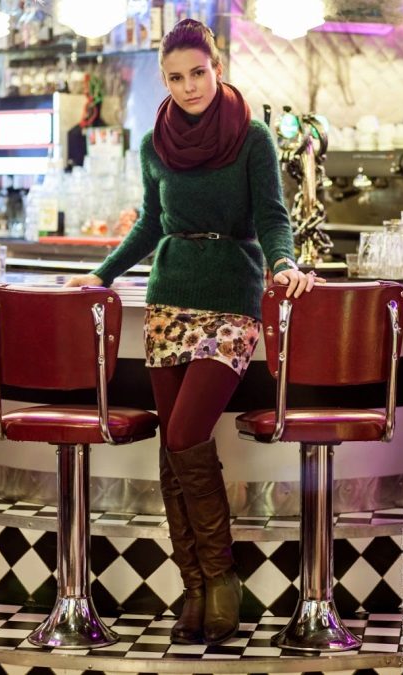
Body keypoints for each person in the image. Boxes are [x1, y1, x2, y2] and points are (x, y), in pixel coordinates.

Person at [66, 18, 324, 646]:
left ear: (217, 66)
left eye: (198, 73)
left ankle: (223, 578)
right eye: (176, 77)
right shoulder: (154, 144)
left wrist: (284, 263)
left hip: (232, 301)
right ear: (165, 79)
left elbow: (273, 216)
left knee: (185, 434)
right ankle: (195, 588)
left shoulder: (252, 136)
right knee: (171, 448)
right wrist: (101, 274)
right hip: (168, 301)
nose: (188, 87)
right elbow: (151, 225)